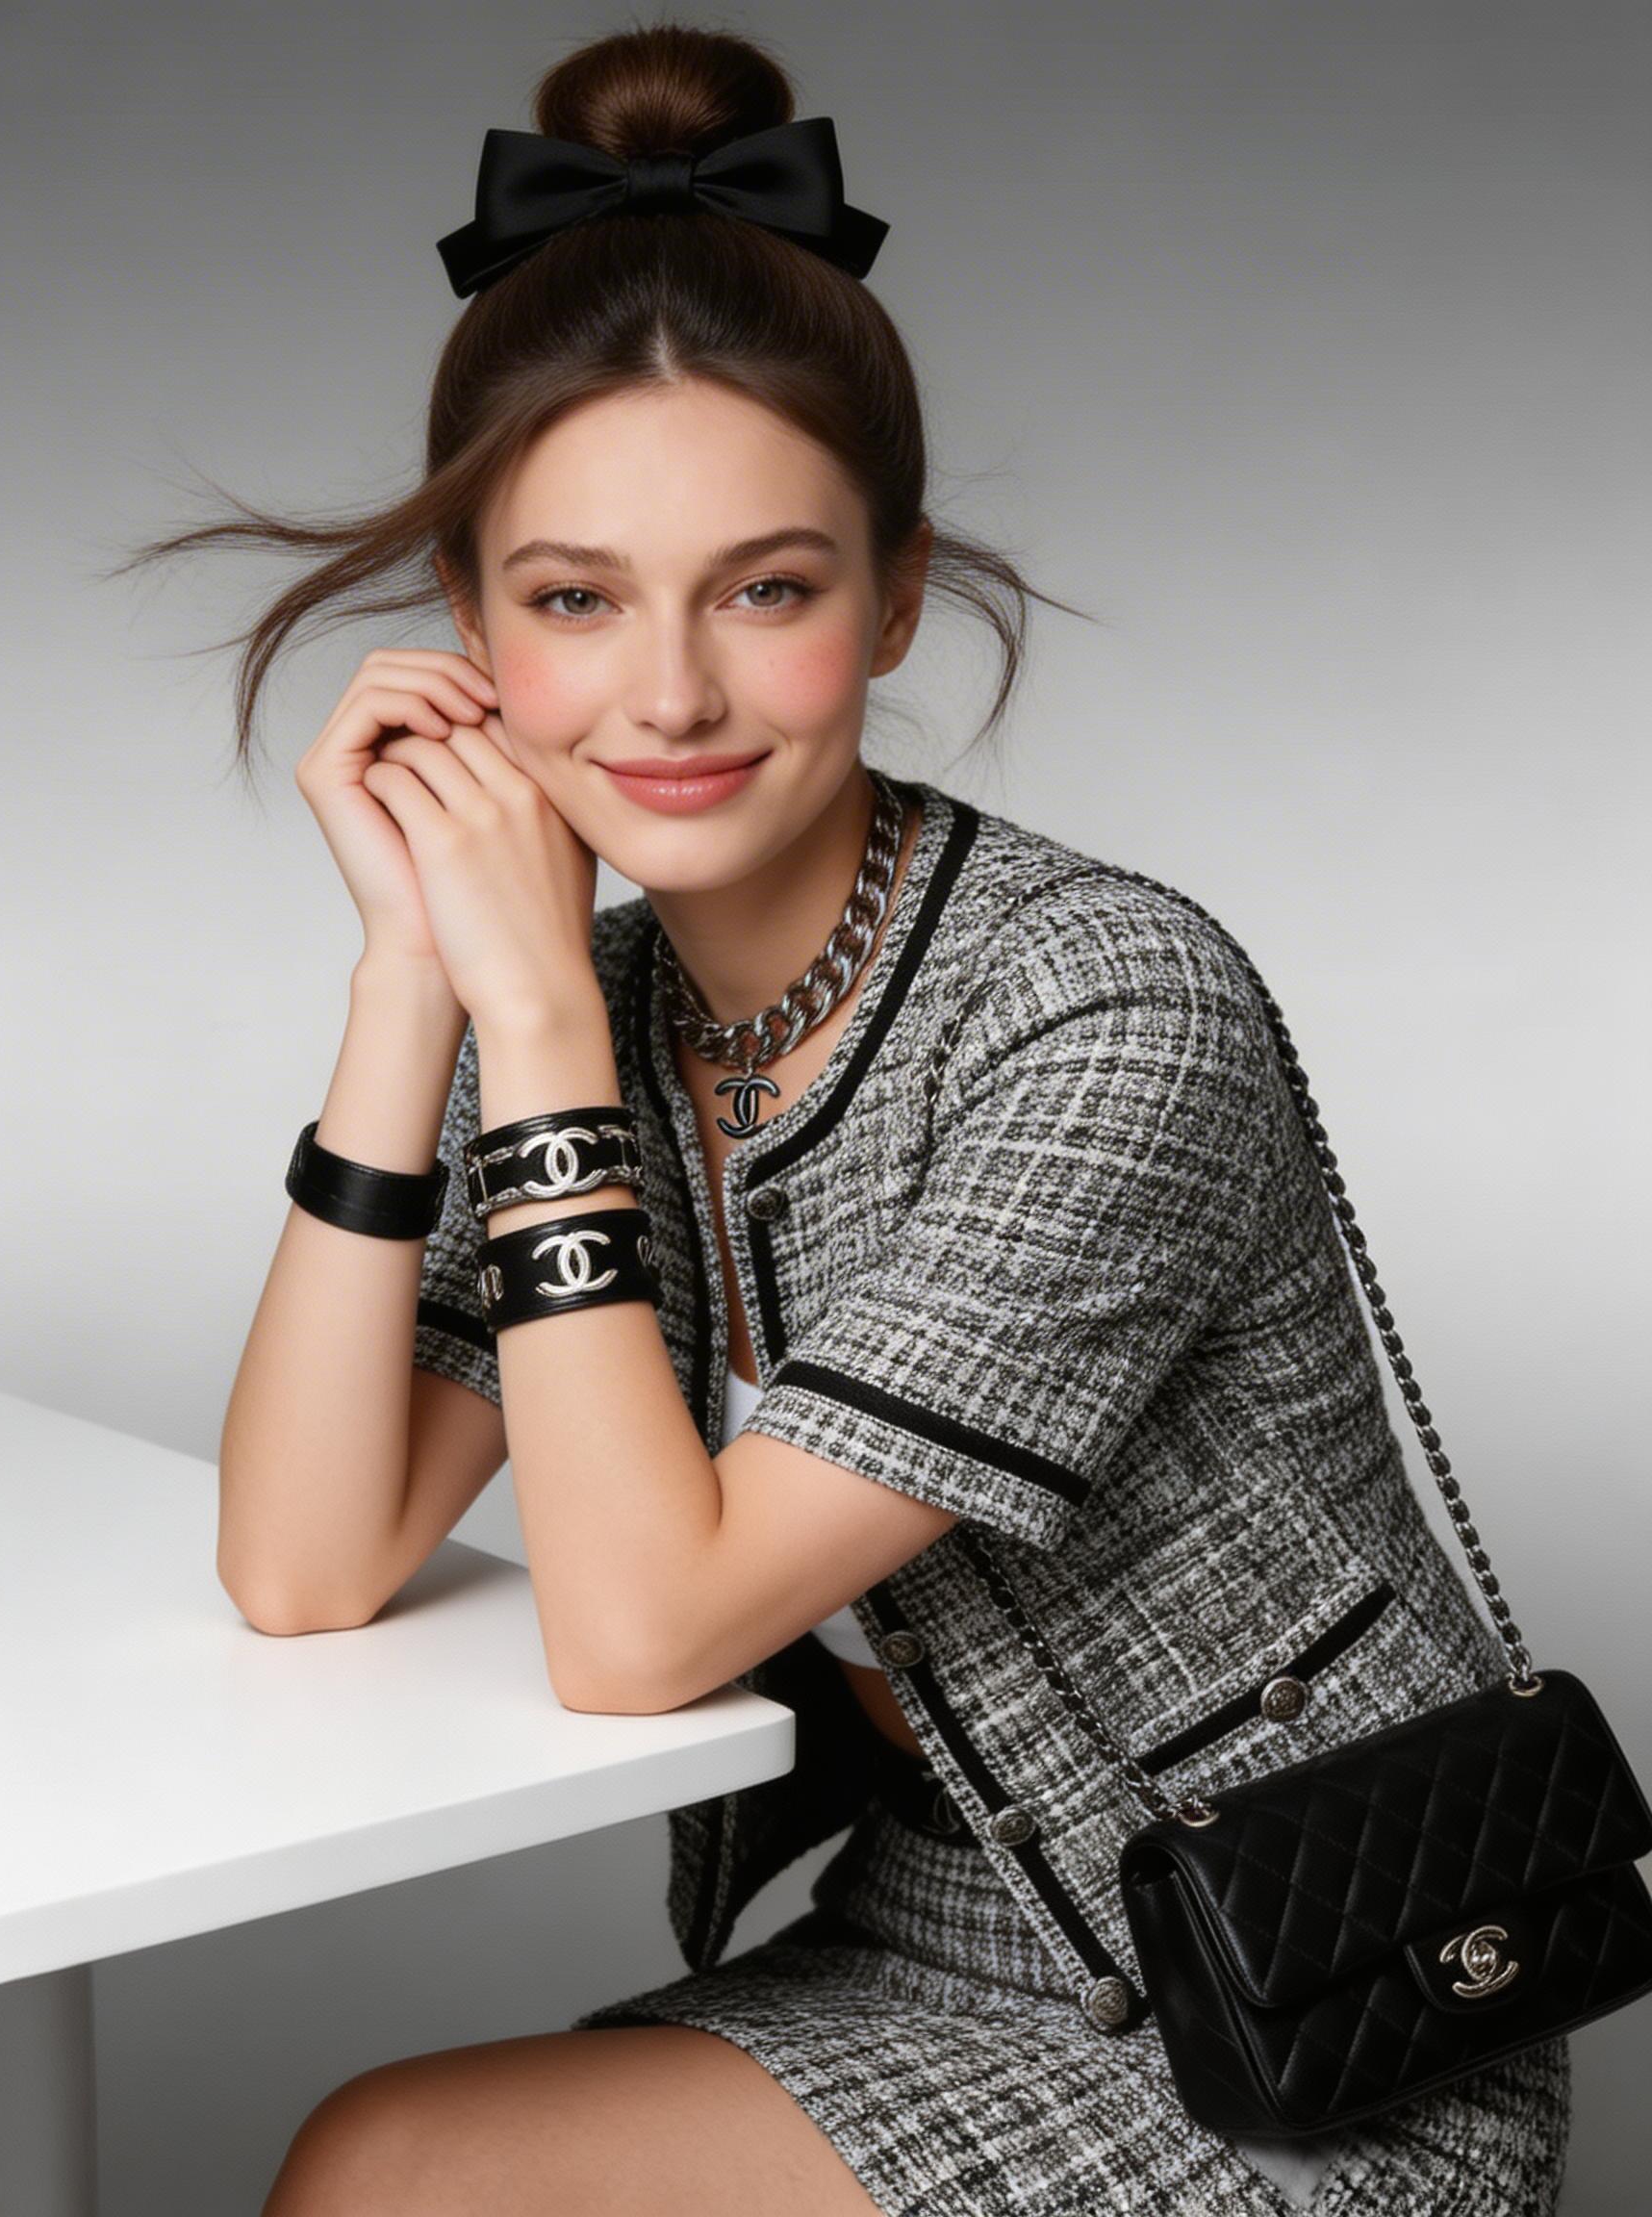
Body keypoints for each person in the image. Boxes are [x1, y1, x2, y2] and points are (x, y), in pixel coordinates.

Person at [129, 21, 1572, 2214]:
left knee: (392, 2178)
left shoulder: (1105, 1010)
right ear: (472, 641)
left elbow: (636, 1631)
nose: (674, 695)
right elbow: (306, 1561)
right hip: (925, 1952)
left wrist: (524, 1016)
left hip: (1306, 2022)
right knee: (389, 2163)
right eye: (575, 602)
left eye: (769, 590)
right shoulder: (591, 1013)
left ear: (895, 595)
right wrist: (410, 971)